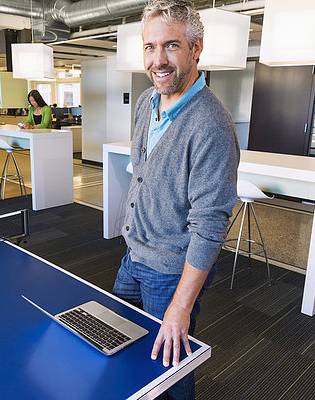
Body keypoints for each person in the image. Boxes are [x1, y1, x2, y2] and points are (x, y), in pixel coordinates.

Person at [112, 0, 239, 398]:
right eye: (150, 47)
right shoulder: (147, 103)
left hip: (170, 272)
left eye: (171, 45)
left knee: (170, 367)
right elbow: (143, 178)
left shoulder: (211, 125)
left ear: (195, 49)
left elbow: (210, 225)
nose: (158, 60)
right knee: (121, 345)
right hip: (133, 258)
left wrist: (180, 306)